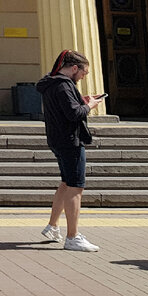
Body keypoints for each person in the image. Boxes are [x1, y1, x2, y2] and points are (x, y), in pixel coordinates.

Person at [36, 49, 104, 252]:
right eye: (83, 72)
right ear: (74, 68)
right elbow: (74, 113)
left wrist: (82, 100)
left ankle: (52, 226)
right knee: (76, 188)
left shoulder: (51, 83)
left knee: (66, 183)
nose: (83, 76)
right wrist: (90, 106)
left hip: (57, 139)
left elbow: (66, 107)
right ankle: (73, 237)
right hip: (70, 141)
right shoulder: (64, 85)